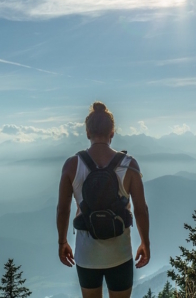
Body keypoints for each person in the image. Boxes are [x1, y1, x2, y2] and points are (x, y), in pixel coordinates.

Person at [56, 101, 150, 298]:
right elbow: (141, 210)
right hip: (120, 253)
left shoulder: (72, 165)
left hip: (87, 255)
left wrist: (62, 242)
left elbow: (63, 210)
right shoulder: (129, 165)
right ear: (112, 132)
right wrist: (145, 243)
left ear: (88, 133)